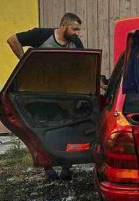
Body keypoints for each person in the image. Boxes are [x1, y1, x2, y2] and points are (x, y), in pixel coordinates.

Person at [6, 13, 84, 181]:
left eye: (79, 30)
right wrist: (25, 63)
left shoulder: (75, 43)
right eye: (75, 29)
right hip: (40, 94)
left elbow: (83, 67)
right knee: (42, 130)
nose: (78, 33)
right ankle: (48, 168)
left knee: (67, 130)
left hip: (64, 95)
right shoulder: (41, 35)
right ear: (63, 26)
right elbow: (12, 40)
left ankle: (66, 167)